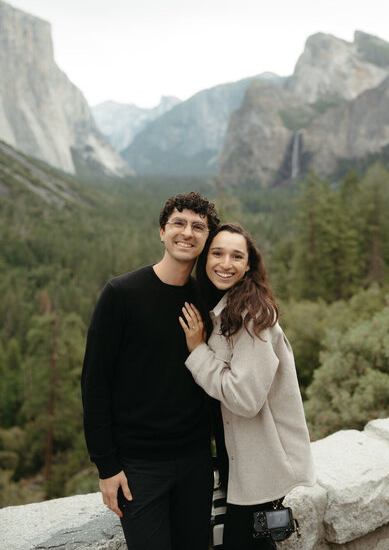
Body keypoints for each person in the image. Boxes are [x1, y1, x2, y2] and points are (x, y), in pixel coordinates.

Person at [81, 191, 220, 550]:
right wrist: (107, 467)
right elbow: (95, 384)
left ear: (206, 239)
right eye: (178, 223)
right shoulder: (120, 294)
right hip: (139, 467)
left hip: (195, 462)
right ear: (162, 231)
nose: (187, 232)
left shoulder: (208, 302)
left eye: (198, 227)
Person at [179, 223, 316, 550]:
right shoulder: (226, 308)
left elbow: (245, 398)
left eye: (236, 256)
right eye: (217, 253)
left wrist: (197, 351)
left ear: (248, 266)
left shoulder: (252, 316)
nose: (226, 263)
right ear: (205, 258)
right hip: (243, 463)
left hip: (261, 467)